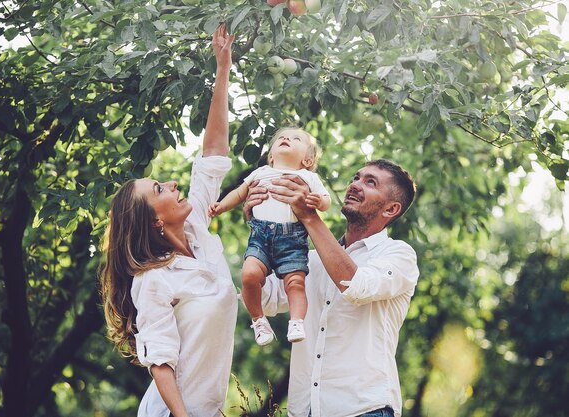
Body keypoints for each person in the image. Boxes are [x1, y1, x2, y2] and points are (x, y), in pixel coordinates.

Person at [98, 25, 236, 417]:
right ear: (154, 221)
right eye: (160, 189)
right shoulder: (153, 280)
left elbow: (212, 153)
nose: (174, 184)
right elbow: (160, 360)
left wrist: (222, 69)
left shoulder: (198, 235)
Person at [244, 159, 418, 417]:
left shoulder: (399, 255)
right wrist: (260, 229)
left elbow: (356, 287)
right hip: (304, 410)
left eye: (370, 182)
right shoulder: (310, 260)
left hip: (364, 409)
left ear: (391, 208)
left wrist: (309, 216)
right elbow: (265, 298)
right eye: (356, 177)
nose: (355, 185)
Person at [208, 127, 331, 345]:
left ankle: (297, 322)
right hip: (260, 236)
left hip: (292, 240)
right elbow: (239, 193)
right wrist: (221, 206)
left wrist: (318, 201)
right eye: (281, 138)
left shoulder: (307, 177)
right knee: (249, 276)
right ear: (271, 156)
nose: (286, 138)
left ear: (308, 160)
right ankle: (258, 320)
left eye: (296, 139)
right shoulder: (260, 173)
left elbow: (326, 199)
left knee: (295, 283)